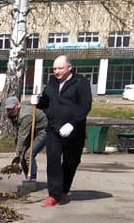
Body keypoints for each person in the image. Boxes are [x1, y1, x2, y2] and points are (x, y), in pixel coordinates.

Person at [31, 55, 92, 207]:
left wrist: (72, 123)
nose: (57, 71)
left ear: (69, 68)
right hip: (53, 128)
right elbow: (46, 102)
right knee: (53, 159)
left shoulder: (81, 82)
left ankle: (64, 189)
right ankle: (54, 194)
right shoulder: (51, 82)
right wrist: (37, 101)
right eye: (54, 69)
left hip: (74, 130)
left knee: (71, 162)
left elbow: (85, 105)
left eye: (60, 68)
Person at [6, 94, 47, 181]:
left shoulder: (25, 115)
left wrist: (17, 154)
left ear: (18, 105)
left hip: (43, 130)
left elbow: (22, 136)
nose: (10, 111)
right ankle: (27, 178)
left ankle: (32, 178)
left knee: (28, 154)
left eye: (12, 108)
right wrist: (19, 154)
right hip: (31, 130)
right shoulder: (12, 113)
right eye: (8, 109)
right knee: (22, 155)